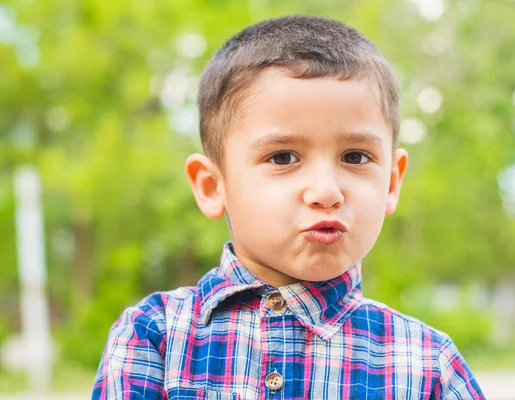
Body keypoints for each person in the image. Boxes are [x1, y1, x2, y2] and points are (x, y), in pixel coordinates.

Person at [92, 15, 485, 399]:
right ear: (213, 186)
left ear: (392, 183)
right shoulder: (154, 337)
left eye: (355, 156)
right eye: (283, 158)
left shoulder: (426, 364)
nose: (326, 191)